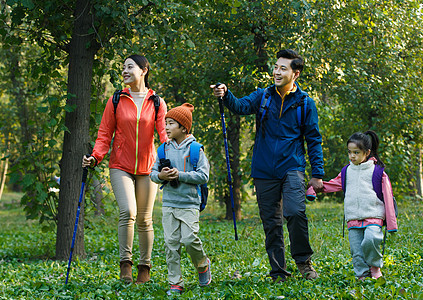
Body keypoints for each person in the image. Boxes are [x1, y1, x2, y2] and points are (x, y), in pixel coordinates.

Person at [210, 49, 324, 282]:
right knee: (271, 223)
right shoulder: (263, 96)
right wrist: (226, 93)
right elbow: (240, 106)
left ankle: (303, 262)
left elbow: (313, 139)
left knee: (295, 212)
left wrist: (317, 173)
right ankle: (278, 272)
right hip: (263, 170)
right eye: (276, 67)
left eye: (283, 68)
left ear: (296, 73)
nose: (277, 72)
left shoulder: (305, 103)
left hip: (292, 166)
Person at [82, 54, 168, 284]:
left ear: (144, 70)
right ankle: (125, 265)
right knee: (128, 212)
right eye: (123, 67)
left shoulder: (157, 102)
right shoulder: (117, 100)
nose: (124, 71)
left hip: (147, 167)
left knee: (145, 219)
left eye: (129, 67)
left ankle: (145, 267)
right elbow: (104, 134)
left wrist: (174, 157)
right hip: (120, 165)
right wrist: (95, 157)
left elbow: (164, 136)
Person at [306, 131, 398, 280]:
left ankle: (374, 267)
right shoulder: (346, 172)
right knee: (356, 251)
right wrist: (315, 187)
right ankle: (362, 274)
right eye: (349, 152)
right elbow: (332, 185)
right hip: (353, 218)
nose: (352, 156)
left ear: (367, 152)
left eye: (356, 152)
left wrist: (392, 223)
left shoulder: (377, 172)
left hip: (373, 215)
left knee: (371, 239)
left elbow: (388, 197)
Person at [150, 103, 211, 295]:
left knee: (189, 239)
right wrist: (161, 176)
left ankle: (202, 264)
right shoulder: (163, 150)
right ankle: (175, 282)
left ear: (183, 127)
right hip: (169, 203)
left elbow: (203, 176)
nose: (166, 127)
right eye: (165, 123)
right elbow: (152, 173)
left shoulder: (195, 150)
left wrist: (181, 175)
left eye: (170, 123)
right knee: (171, 243)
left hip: (189, 203)